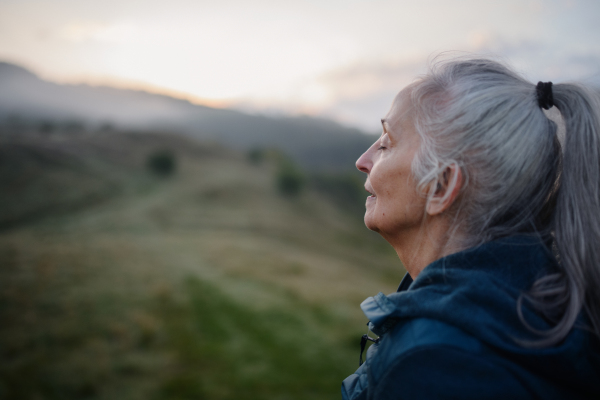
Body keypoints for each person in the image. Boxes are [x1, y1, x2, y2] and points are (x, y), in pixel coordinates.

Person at [341, 57, 600, 399]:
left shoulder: (436, 365)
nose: (363, 161)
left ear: (442, 186)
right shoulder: (538, 309)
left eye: (387, 142)